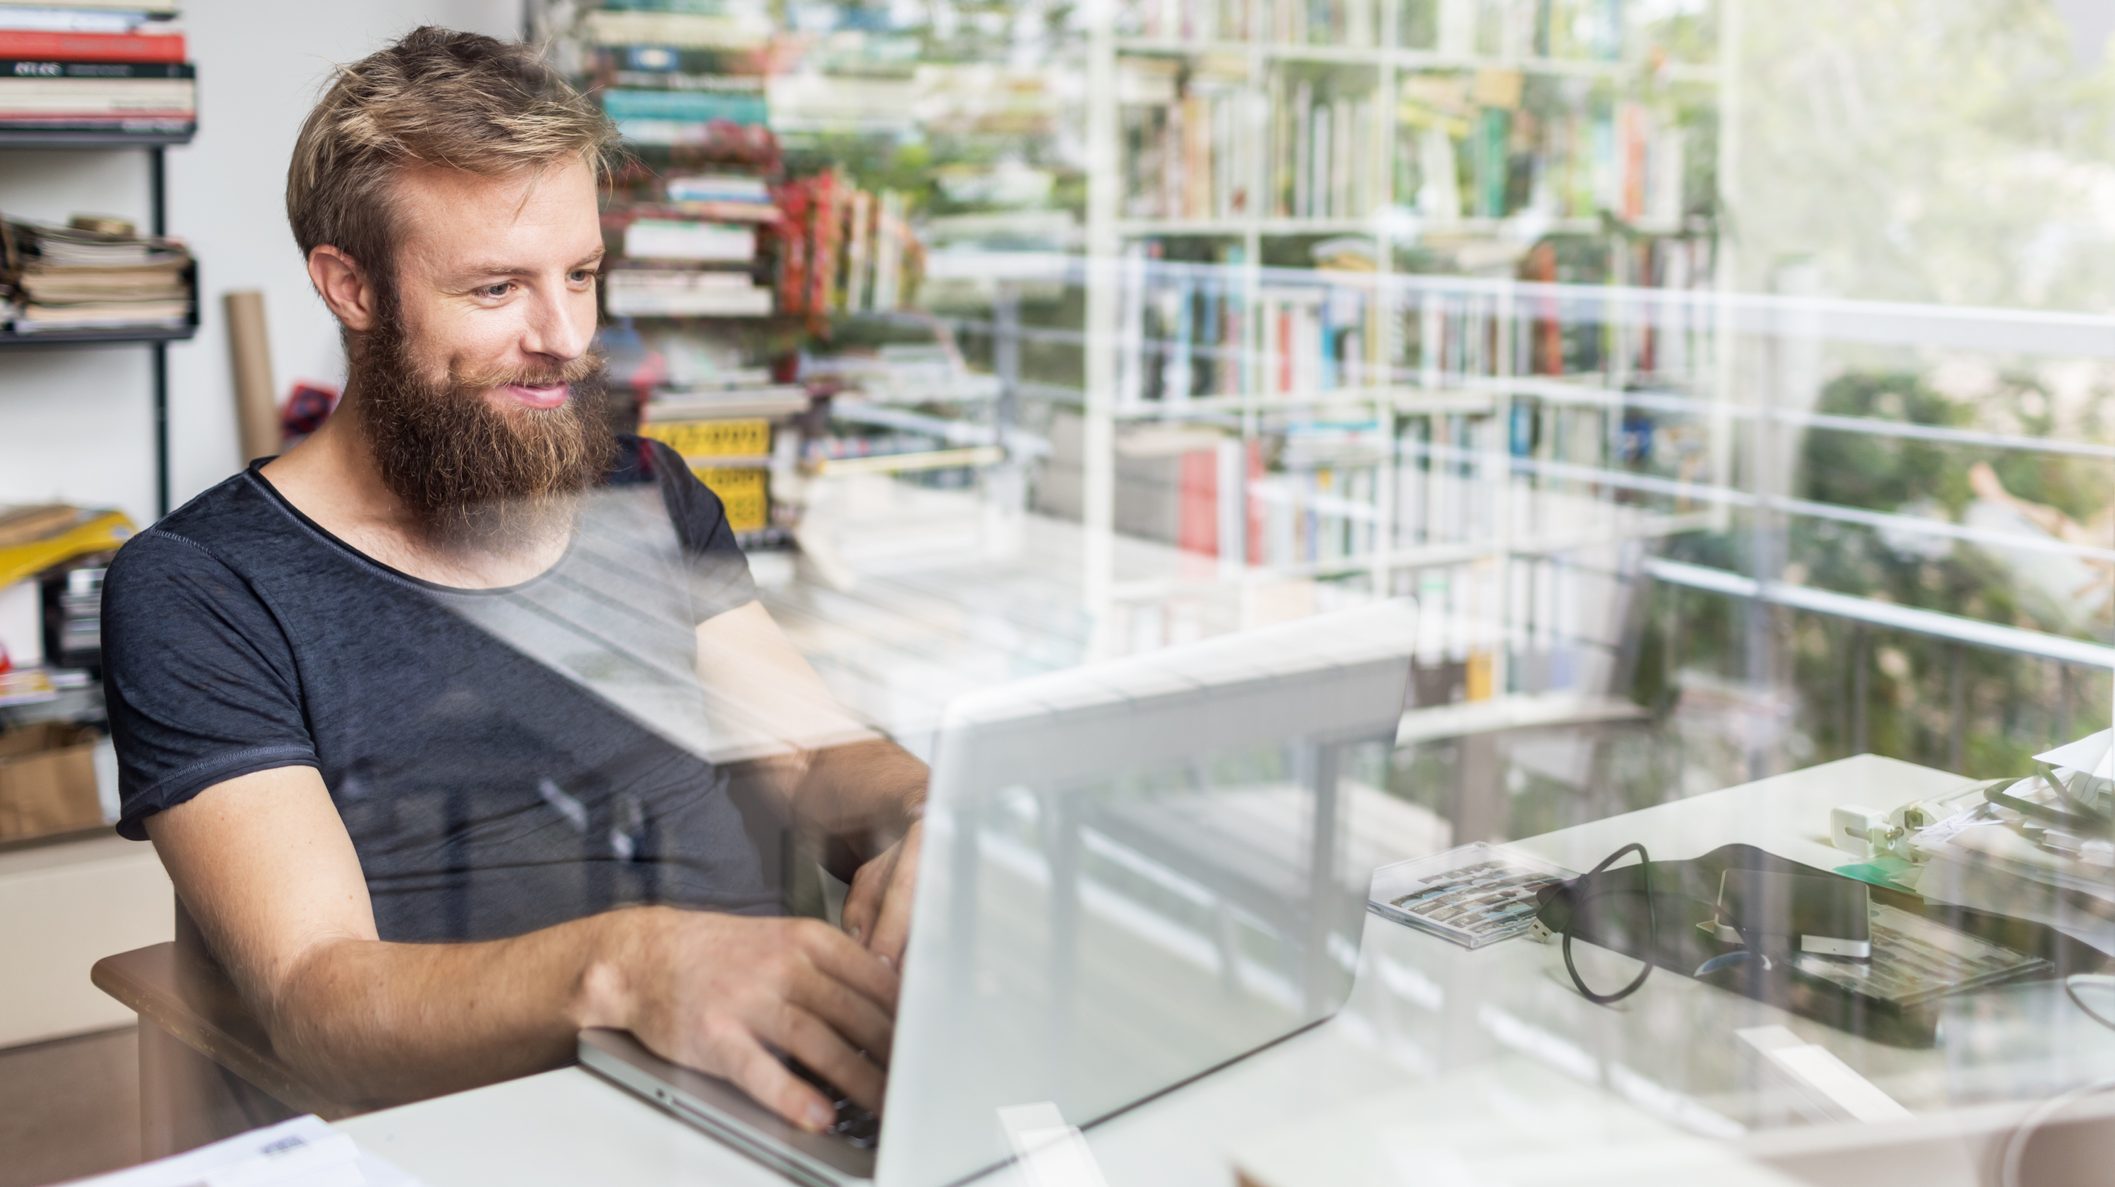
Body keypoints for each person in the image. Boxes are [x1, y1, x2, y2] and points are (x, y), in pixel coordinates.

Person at [98, 27, 924, 1135]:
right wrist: (627, 967)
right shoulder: (201, 587)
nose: (566, 337)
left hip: (774, 1092)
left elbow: (814, 756)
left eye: (581, 274)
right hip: (484, 1122)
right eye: (496, 288)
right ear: (351, 287)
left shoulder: (645, 490)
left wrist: (925, 809)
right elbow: (317, 994)